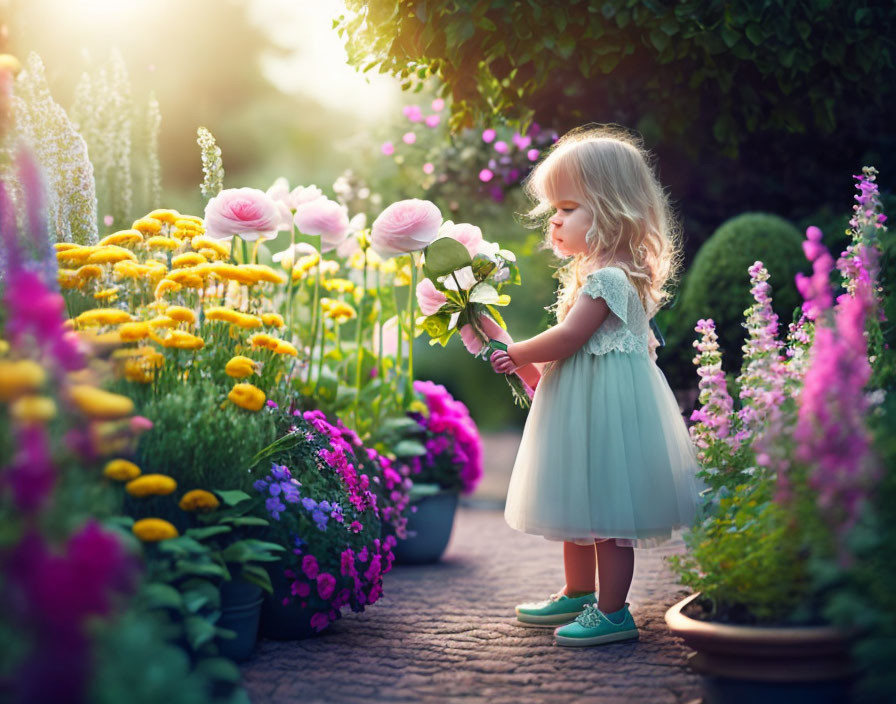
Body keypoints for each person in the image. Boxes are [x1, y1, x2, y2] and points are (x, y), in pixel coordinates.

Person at [485, 125, 701, 647]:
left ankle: (613, 610)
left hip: (606, 409)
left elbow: (570, 337)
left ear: (609, 209)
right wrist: (527, 369)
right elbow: (573, 353)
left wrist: (517, 352)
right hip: (587, 402)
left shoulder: (610, 280)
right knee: (578, 503)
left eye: (566, 208)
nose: (554, 221)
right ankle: (579, 591)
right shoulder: (596, 274)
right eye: (553, 211)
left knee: (606, 507)